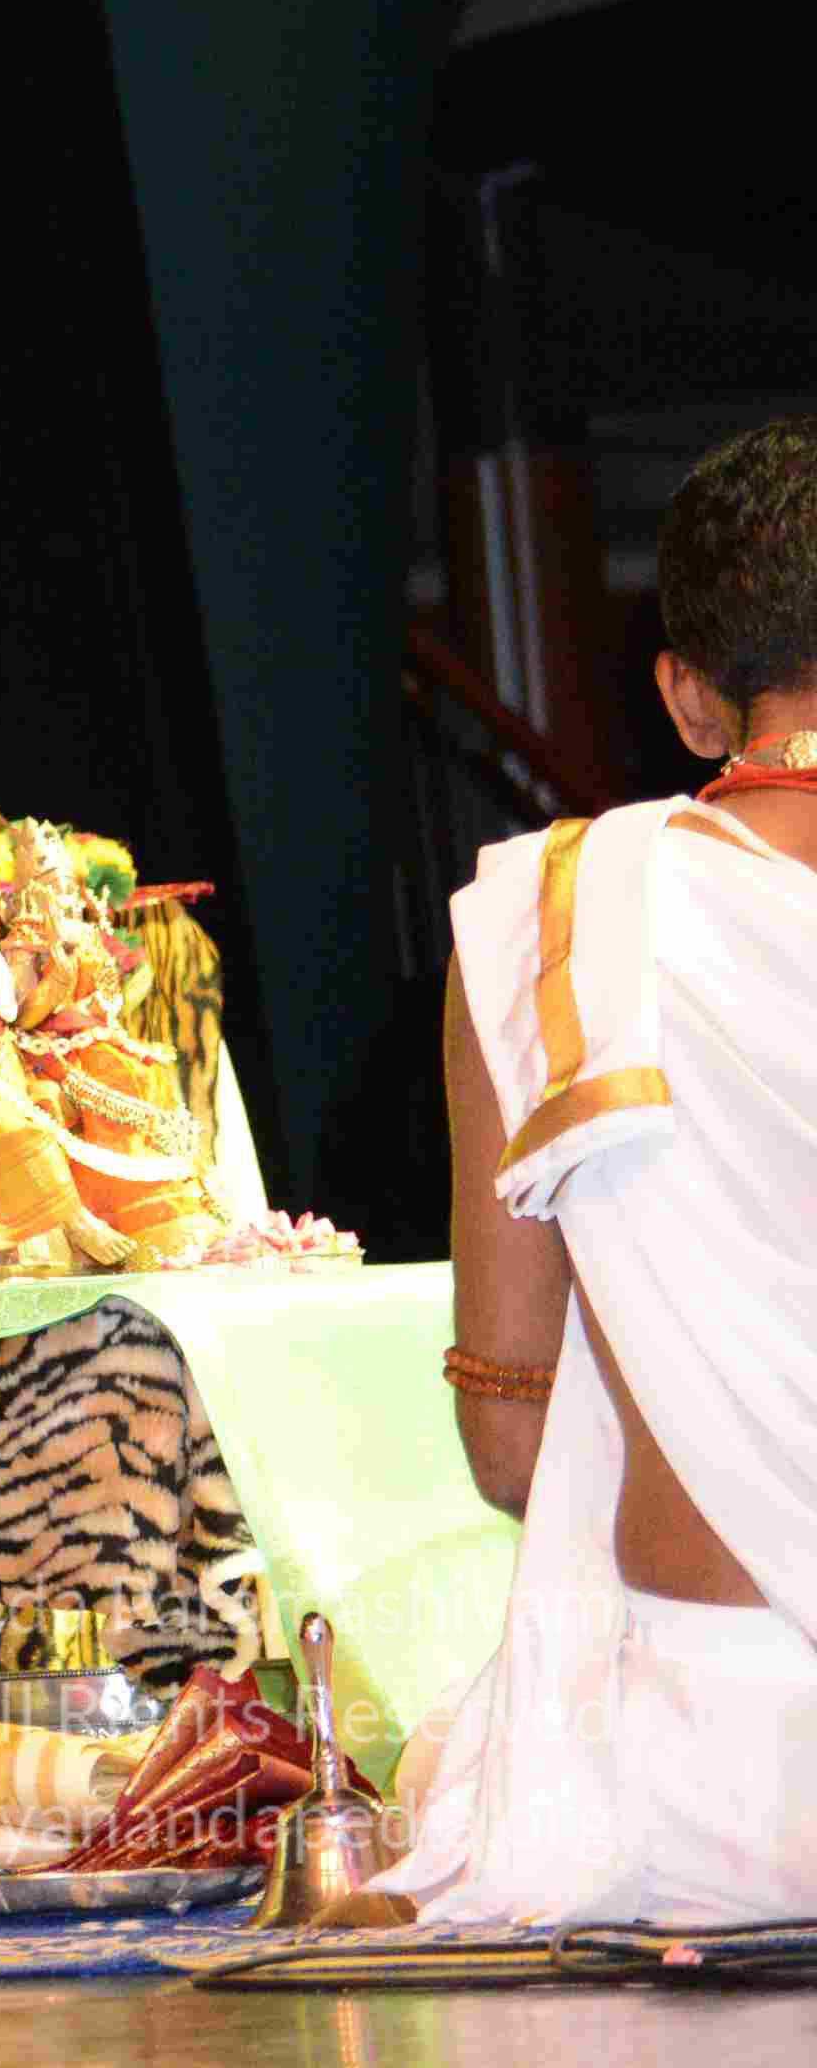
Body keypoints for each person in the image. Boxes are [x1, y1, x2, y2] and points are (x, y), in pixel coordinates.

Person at [386, 414, 817, 1920]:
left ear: (689, 698)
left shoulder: (564, 921)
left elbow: (510, 1448)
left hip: (719, 1782)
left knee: (428, 1775)